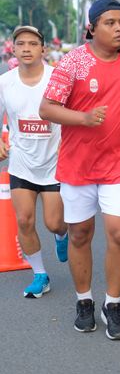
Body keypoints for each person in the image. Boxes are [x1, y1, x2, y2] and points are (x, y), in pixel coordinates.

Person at [39, 0, 120, 340]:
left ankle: (113, 305)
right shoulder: (73, 62)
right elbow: (47, 108)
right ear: (92, 28)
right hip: (78, 164)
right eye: (110, 23)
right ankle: (84, 301)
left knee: (119, 233)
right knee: (79, 233)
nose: (119, 28)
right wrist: (84, 118)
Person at [0, 25, 68, 299]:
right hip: (21, 163)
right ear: (13, 49)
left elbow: (71, 114)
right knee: (24, 220)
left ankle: (61, 235)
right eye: (21, 44)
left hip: (54, 164)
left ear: (43, 49)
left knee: (54, 223)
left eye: (32, 43)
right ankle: (40, 275)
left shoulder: (57, 79)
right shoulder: (5, 82)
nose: (26, 48)